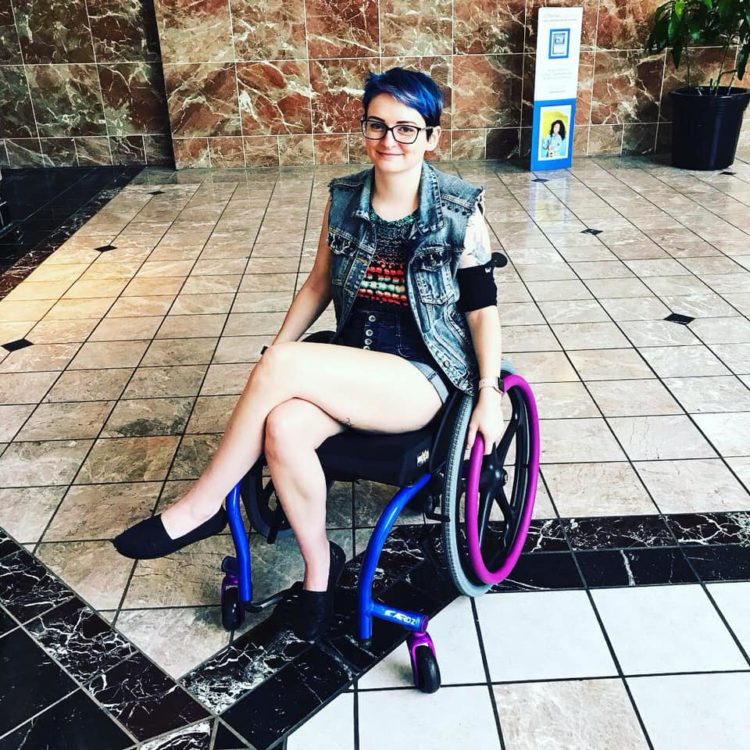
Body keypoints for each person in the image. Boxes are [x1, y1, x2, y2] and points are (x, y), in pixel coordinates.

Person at [114, 67, 504, 642]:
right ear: (364, 126)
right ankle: (320, 576)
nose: (389, 141)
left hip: (421, 374)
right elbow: (319, 285)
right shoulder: (344, 199)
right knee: (283, 426)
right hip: (355, 358)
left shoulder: (458, 209)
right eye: (377, 125)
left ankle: (203, 506)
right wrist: (282, 347)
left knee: (281, 362)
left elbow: (480, 309)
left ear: (432, 136)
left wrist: (490, 392)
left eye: (406, 129)